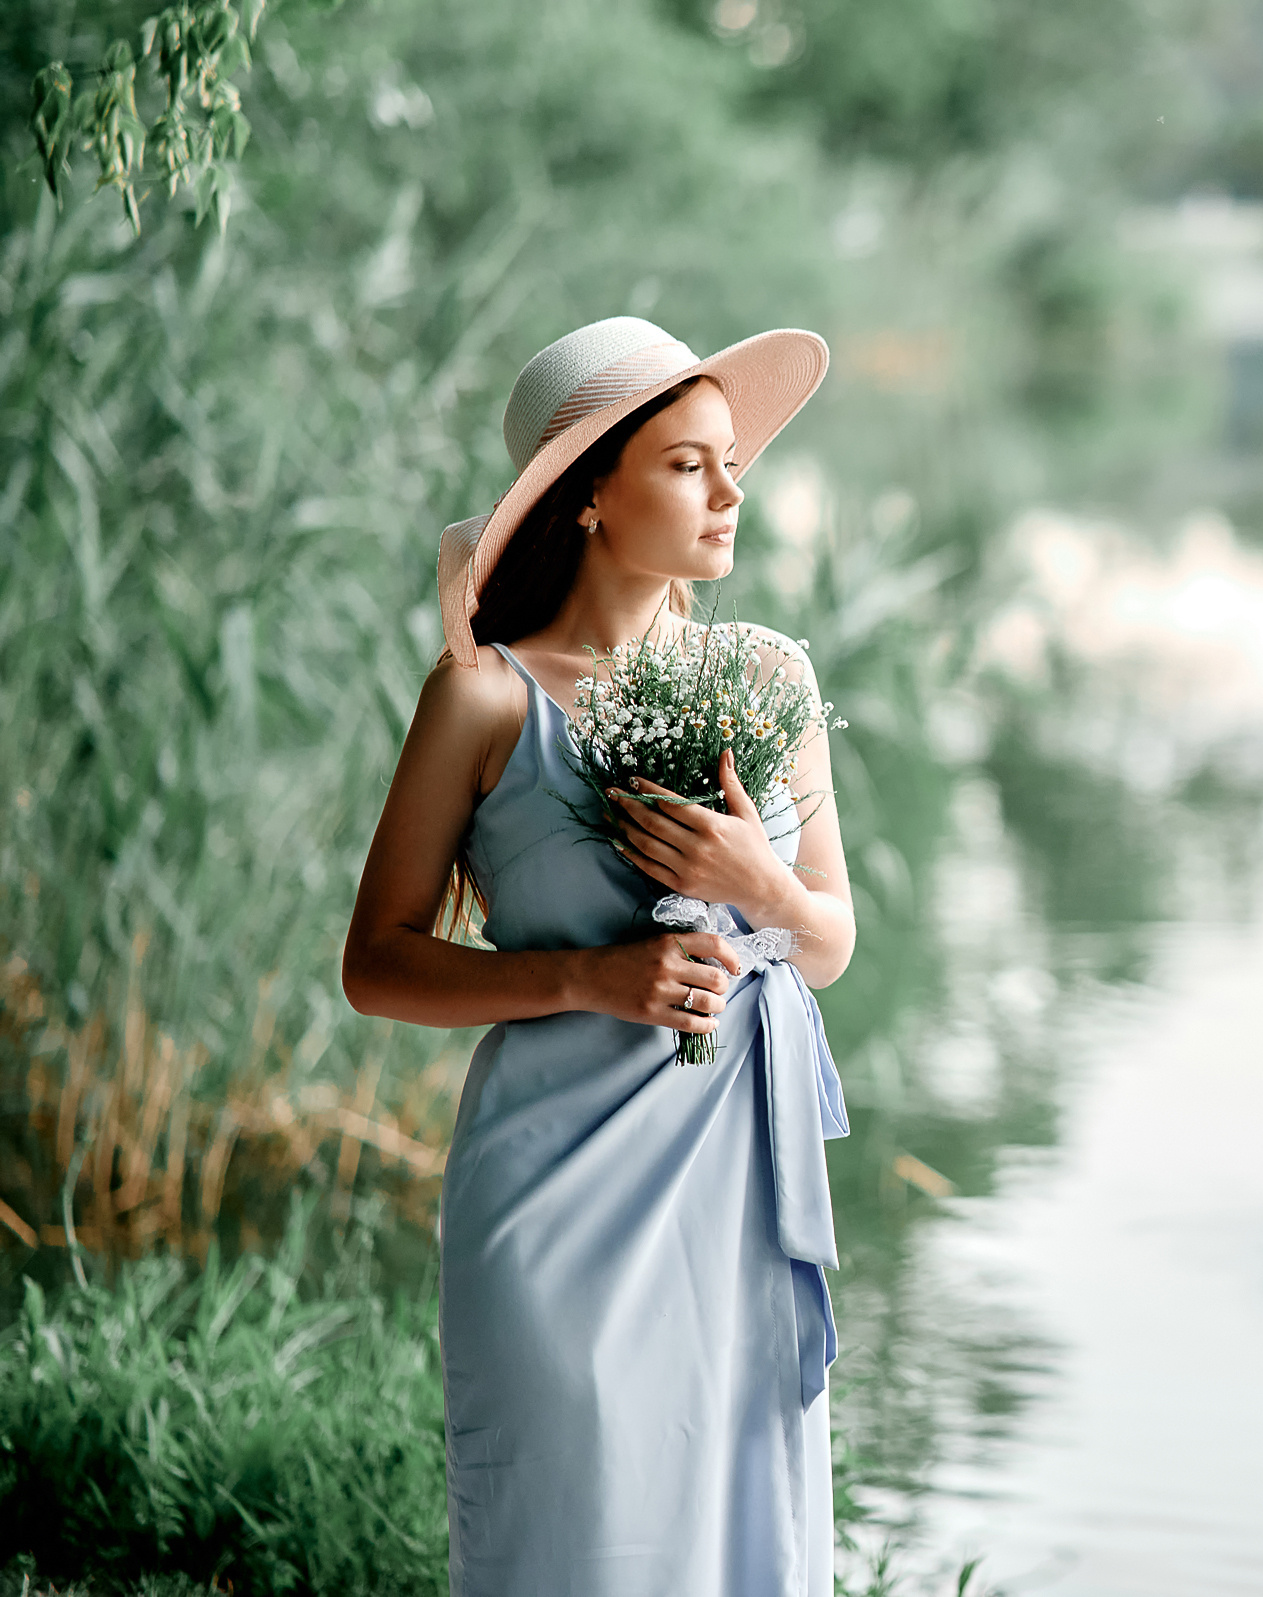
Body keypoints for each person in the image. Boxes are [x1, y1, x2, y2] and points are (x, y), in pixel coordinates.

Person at [342, 316, 854, 1596]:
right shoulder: (486, 696)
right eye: (689, 465)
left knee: (737, 1546)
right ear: (586, 499)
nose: (733, 491)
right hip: (554, 1195)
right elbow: (378, 961)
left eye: (729, 460)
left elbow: (831, 940)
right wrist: (587, 979)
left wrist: (757, 884)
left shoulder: (769, 674)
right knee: (576, 1539)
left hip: (741, 1192)